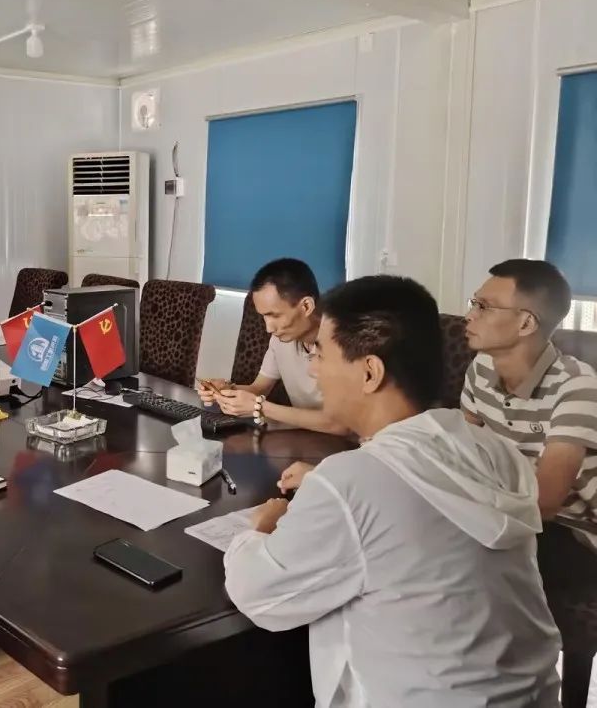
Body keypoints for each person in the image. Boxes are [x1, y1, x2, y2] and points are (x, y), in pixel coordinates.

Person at [225, 275, 561, 707]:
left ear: (370, 372)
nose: (313, 370)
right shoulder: (497, 452)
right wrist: (336, 483)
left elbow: (259, 595)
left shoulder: (350, 484)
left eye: (321, 354)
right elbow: (411, 499)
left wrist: (259, 529)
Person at [461, 258, 597, 707]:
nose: (469, 315)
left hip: (580, 533)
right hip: (520, 514)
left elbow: (545, 503)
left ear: (525, 323)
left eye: (483, 306)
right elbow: (464, 452)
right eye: (474, 303)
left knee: (466, 562)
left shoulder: (577, 386)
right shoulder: (481, 368)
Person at [198, 258, 348, 435]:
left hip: (347, 445)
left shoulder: (344, 341)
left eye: (275, 316)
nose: (268, 328)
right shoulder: (280, 339)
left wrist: (261, 408)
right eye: (264, 317)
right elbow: (258, 389)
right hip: (305, 439)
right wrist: (226, 391)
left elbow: (340, 424)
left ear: (306, 306)